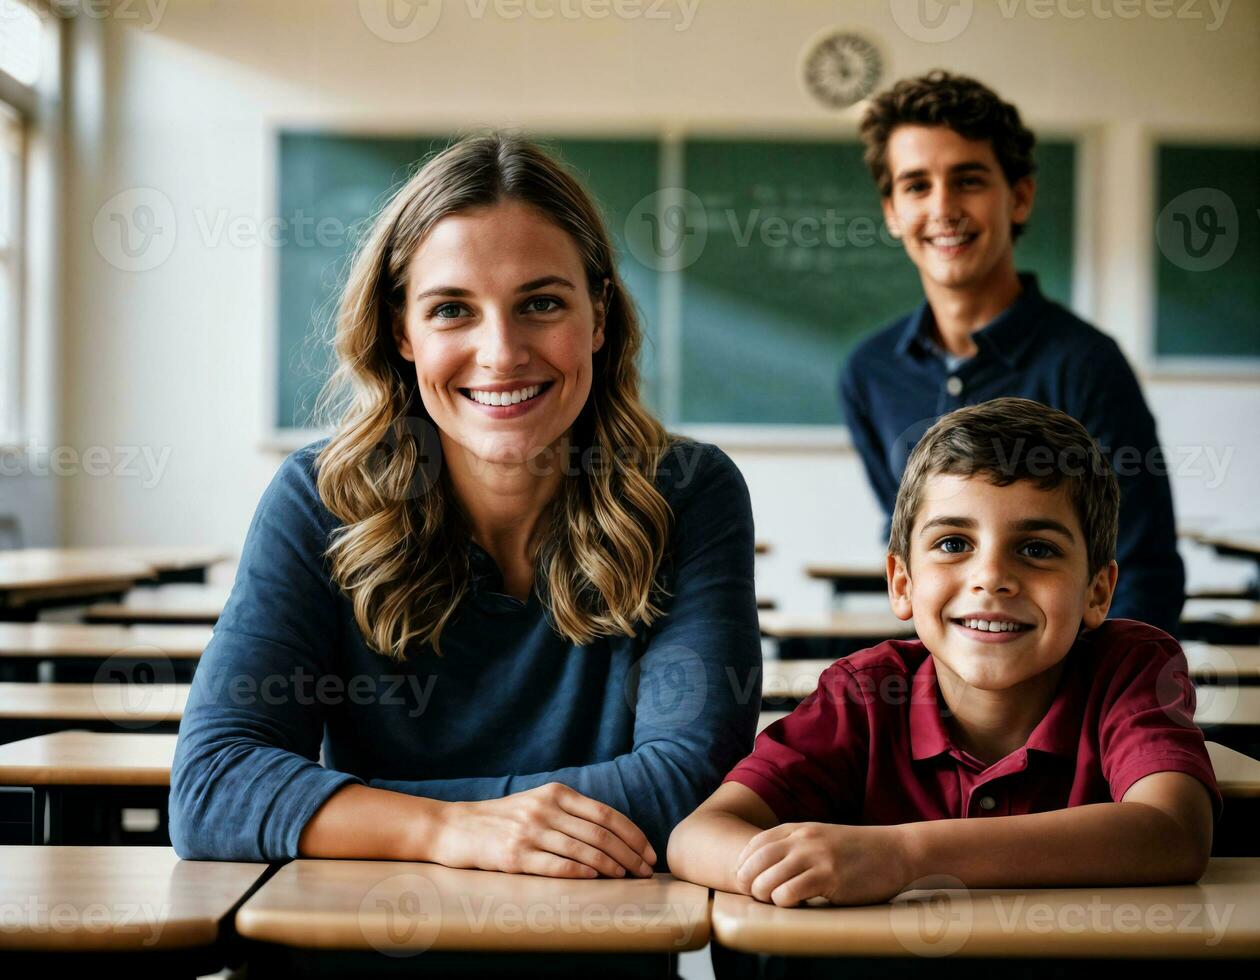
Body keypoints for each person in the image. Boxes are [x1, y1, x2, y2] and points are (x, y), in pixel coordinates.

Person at [170, 133, 763, 874]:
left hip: (593, 948)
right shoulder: (321, 499)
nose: (502, 351)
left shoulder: (687, 493)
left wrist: (365, 812)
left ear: (600, 317)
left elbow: (693, 785)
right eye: (453, 309)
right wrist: (445, 832)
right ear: (401, 332)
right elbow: (214, 788)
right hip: (353, 951)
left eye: (541, 303)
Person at [668, 397, 1218, 907]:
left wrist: (903, 856)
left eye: (1036, 549)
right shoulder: (866, 693)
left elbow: (1173, 831)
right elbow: (697, 836)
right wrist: (794, 869)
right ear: (902, 583)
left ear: (1097, 592)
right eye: (954, 543)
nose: (992, 578)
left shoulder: (1129, 667)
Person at [840, 70, 1184, 634]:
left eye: (968, 180)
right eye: (917, 185)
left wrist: (1086, 709)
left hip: (1069, 692)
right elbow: (911, 550)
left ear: (1019, 196)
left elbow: (1143, 569)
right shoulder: (868, 373)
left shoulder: (1087, 365)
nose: (943, 207)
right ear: (892, 210)